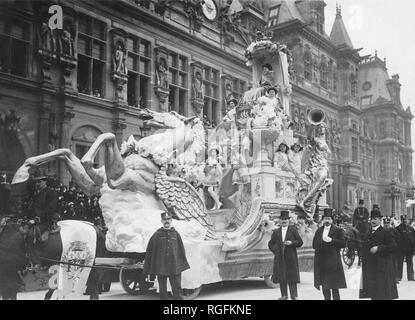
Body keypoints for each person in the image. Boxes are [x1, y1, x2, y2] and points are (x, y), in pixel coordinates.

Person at [143, 211, 190, 300]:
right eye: (164, 219)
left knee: (177, 289)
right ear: (161, 221)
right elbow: (150, 251)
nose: (166, 221)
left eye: (168, 219)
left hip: (174, 267)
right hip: (161, 267)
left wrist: (181, 265)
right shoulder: (157, 235)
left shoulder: (175, 234)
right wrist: (150, 267)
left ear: (171, 220)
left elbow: (181, 250)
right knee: (163, 290)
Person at [360, 208, 398, 299]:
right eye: (371, 219)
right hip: (371, 268)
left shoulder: (386, 232)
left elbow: (393, 246)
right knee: (373, 293)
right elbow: (364, 247)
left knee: (383, 293)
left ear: (380, 220)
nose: (373, 221)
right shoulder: (367, 232)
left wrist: (379, 248)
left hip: (382, 268)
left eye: (375, 219)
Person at [312, 208, 347, 300]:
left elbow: (343, 243)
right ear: (323, 220)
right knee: (325, 286)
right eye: (325, 219)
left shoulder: (338, 230)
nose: (327, 221)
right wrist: (320, 243)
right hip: (322, 261)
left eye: (329, 219)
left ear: (332, 220)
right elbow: (314, 244)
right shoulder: (319, 230)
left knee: (334, 286)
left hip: (333, 262)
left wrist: (332, 240)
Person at [268, 210, 303, 300]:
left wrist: (291, 242)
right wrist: (276, 251)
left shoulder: (293, 230)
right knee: (282, 277)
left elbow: (300, 242)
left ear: (288, 220)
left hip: (290, 258)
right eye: (282, 219)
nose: (284, 221)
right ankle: (284, 295)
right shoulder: (276, 232)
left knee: (292, 278)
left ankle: (294, 295)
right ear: (279, 220)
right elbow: (270, 244)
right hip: (280, 258)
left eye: (286, 219)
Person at [395, 215, 415, 281]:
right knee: (399, 262)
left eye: (406, 220)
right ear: (401, 220)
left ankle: (411, 277)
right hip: (401, 248)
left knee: (410, 262)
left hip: (409, 249)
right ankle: (398, 276)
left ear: (408, 220)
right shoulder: (397, 229)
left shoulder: (411, 229)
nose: (405, 221)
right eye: (403, 220)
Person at [383, 216, 400, 283]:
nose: (386, 225)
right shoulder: (381, 230)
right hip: (384, 251)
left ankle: (395, 278)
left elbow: (398, 239)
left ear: (389, 223)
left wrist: (396, 247)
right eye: (385, 223)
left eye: (387, 223)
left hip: (392, 251)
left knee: (393, 264)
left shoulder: (394, 230)